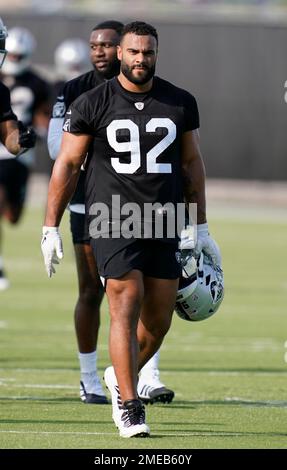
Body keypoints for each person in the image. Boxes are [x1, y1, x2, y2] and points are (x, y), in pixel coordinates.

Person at [41, 21, 221, 437]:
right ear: (121, 53)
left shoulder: (179, 101)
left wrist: (202, 225)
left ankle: (120, 374)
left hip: (165, 218)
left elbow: (192, 163)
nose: (142, 59)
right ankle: (130, 405)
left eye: (149, 53)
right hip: (113, 216)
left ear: (157, 54)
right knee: (126, 301)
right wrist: (50, 225)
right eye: (135, 52)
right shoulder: (92, 102)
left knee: (158, 320)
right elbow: (66, 164)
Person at [47, 20, 174, 406]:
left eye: (107, 45)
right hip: (92, 207)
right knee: (99, 294)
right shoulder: (77, 91)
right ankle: (90, 379)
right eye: (94, 45)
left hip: (152, 212)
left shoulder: (160, 94)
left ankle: (143, 375)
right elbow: (59, 152)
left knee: (150, 300)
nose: (99, 51)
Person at [0, 21, 38, 290]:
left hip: (13, 162)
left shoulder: (0, 91)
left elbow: (9, 136)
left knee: (13, 217)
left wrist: (21, 140)